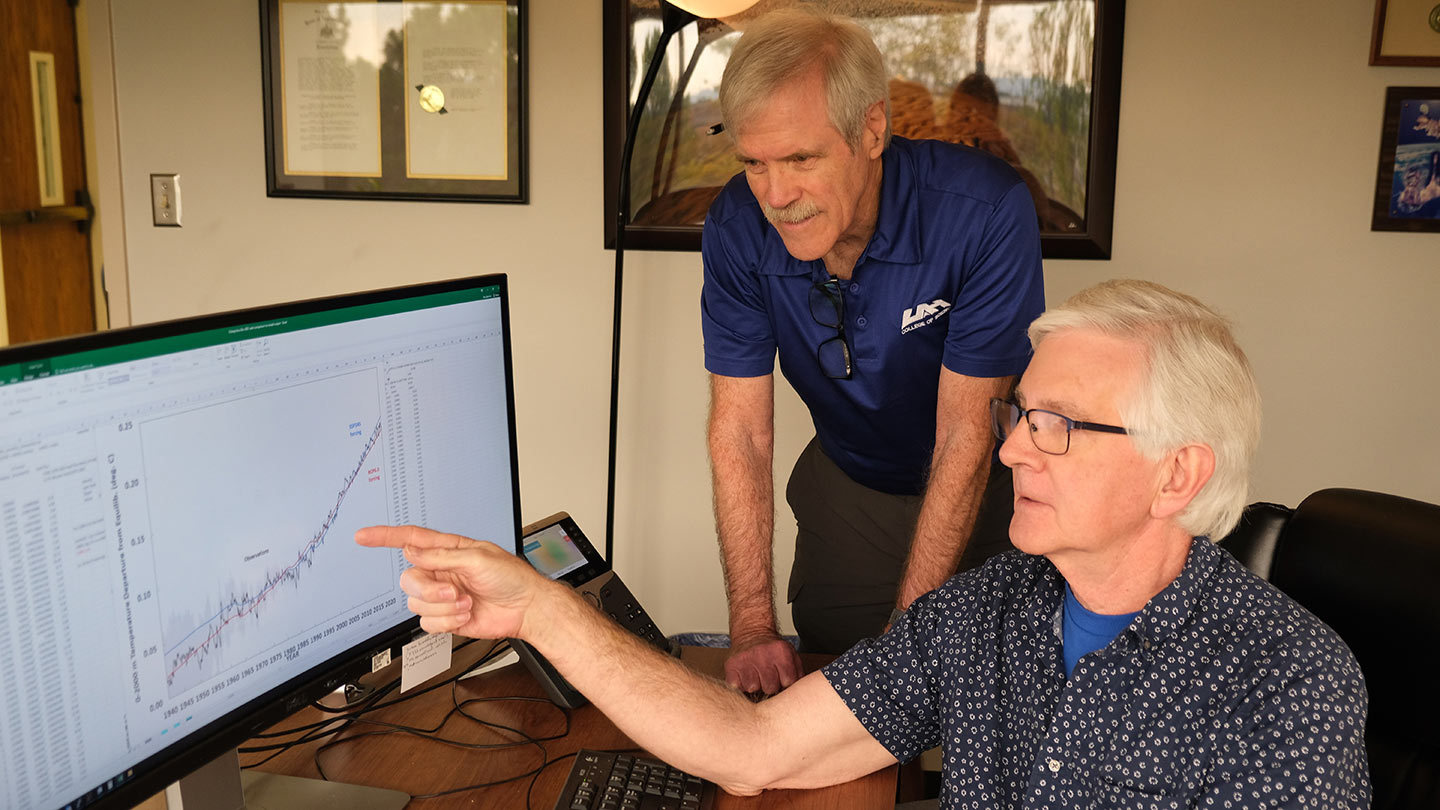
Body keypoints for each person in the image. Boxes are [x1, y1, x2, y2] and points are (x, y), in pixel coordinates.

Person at [358, 279, 1371, 808]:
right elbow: (750, 753)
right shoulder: (985, 612)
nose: (1012, 447)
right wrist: (541, 609)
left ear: (1178, 473)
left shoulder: (1288, 682)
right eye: (1022, 411)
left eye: (1058, 424)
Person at [699, 8, 1045, 695]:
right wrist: (751, 627)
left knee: (986, 704)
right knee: (833, 701)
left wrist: (906, 649)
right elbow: (739, 431)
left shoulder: (983, 211)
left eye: (802, 158)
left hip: (995, 487)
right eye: (755, 163)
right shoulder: (737, 224)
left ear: (873, 129)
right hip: (850, 488)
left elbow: (965, 437)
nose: (777, 196)